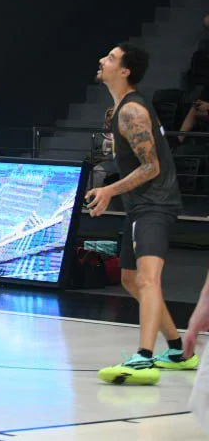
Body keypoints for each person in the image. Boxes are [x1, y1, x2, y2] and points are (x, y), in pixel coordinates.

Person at [88, 44, 194, 385]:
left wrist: (108, 190)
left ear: (125, 71)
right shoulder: (119, 108)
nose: (103, 60)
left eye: (111, 58)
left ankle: (145, 359)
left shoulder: (132, 111)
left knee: (148, 279)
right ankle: (178, 350)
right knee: (130, 279)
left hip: (155, 203)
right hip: (139, 204)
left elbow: (152, 166)